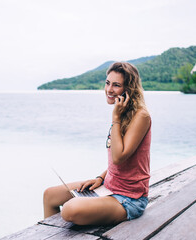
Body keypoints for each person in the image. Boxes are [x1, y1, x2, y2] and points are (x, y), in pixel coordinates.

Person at [43, 62, 151, 225]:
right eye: (107, 83)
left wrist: (115, 119)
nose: (109, 90)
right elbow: (122, 163)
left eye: (116, 85)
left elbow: (119, 158)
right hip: (108, 186)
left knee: (69, 209)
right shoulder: (124, 113)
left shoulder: (141, 116)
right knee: (49, 195)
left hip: (129, 199)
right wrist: (100, 178)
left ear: (129, 89)